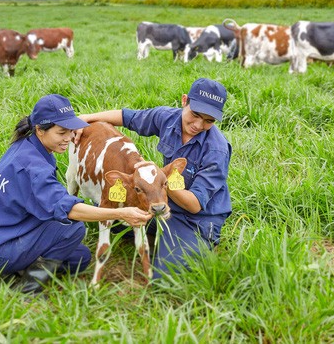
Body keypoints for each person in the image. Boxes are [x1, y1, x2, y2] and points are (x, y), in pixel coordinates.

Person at [0, 94, 152, 293]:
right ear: (40, 130)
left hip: (8, 230)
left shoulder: (28, 146)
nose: (69, 138)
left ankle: (20, 270)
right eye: (61, 132)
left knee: (80, 258)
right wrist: (120, 213)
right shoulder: (32, 167)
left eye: (70, 130)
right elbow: (69, 209)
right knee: (72, 229)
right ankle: (27, 289)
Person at [75, 78, 232, 279]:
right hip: (160, 199)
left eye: (209, 120)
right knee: (113, 216)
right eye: (195, 115)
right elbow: (127, 117)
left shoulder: (216, 150)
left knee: (167, 276)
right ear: (185, 101)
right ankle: (158, 230)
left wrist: (157, 178)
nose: (198, 125)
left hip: (197, 217)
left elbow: (194, 205)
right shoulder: (168, 118)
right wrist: (85, 118)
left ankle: (201, 241)